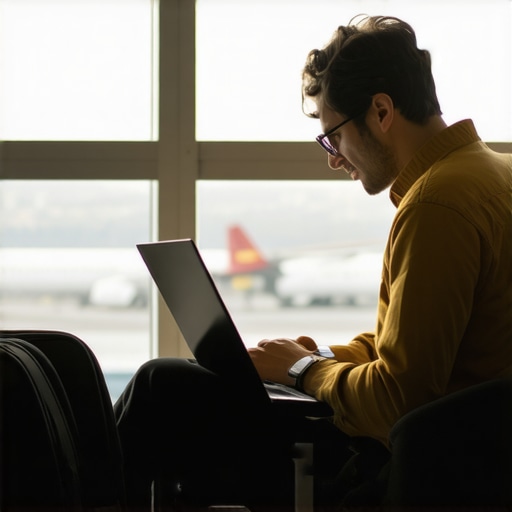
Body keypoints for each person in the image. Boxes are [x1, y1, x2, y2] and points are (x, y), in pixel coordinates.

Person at [114, 14, 512, 511]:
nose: (333, 158)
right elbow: (427, 348)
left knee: (164, 390)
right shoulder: (495, 172)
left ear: (382, 111)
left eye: (334, 136)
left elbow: (398, 400)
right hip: (481, 451)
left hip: (418, 463)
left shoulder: (436, 204)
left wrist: (303, 369)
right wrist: (321, 355)